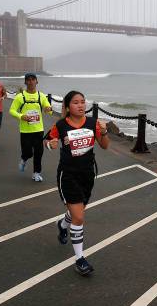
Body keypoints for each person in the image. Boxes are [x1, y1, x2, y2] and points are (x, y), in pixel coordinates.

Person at [46, 90, 110, 275]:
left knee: (77, 213)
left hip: (87, 174)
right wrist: (51, 144)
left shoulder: (92, 123)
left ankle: (62, 225)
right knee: (79, 218)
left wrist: (104, 131)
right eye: (76, 102)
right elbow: (48, 140)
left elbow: (105, 145)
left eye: (83, 102)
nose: (81, 105)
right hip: (68, 175)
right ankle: (79, 259)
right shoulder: (61, 125)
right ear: (67, 106)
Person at [9, 73, 52, 182]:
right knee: (28, 152)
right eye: (28, 80)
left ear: (37, 81)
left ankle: (36, 173)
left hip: (38, 130)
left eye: (33, 79)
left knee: (39, 153)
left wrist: (48, 109)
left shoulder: (41, 96)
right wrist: (21, 116)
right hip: (25, 130)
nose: (31, 82)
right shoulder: (20, 96)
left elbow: (48, 109)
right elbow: (12, 110)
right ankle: (24, 159)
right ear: (25, 82)